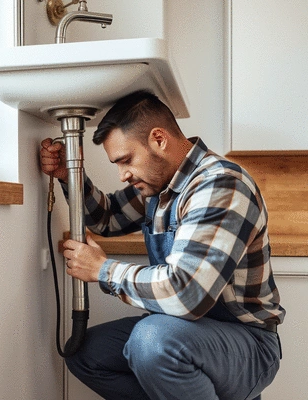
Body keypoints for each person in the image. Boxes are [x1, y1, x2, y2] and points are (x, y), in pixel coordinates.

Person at [40, 90, 285, 400]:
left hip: (247, 343)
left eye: (126, 160)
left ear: (158, 139)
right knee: (85, 353)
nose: (123, 174)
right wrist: (68, 175)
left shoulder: (220, 184)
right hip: (184, 331)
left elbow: (188, 294)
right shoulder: (162, 186)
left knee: (152, 341)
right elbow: (105, 218)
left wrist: (103, 270)